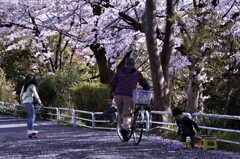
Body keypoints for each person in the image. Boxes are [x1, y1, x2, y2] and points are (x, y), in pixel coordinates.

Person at [110, 57, 150, 141]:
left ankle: (122, 130)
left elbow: (112, 82)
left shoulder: (120, 71)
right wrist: (146, 87)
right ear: (133, 64)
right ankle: (126, 129)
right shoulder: (136, 73)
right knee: (127, 114)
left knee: (120, 113)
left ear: (126, 64)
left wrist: (114, 89)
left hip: (118, 95)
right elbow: (143, 82)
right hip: (129, 96)